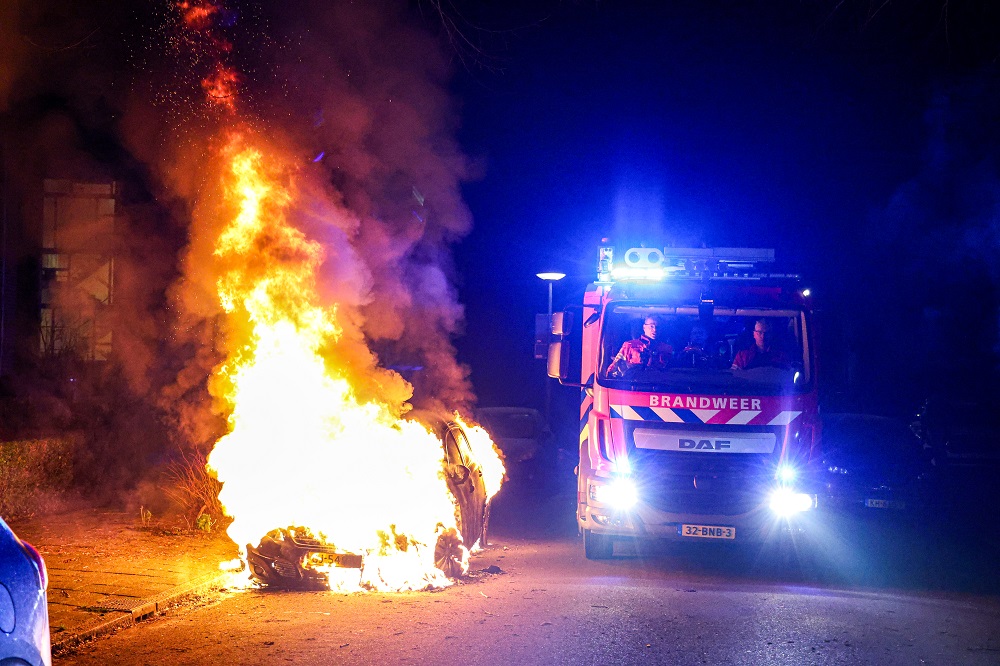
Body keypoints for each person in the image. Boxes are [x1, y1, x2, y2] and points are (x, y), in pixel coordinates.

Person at [606, 316, 673, 377]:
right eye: (651, 326)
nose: (655, 330)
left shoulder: (667, 349)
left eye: (657, 327)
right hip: (635, 385)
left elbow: (672, 372)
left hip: (660, 386)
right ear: (644, 327)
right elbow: (614, 368)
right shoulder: (629, 345)